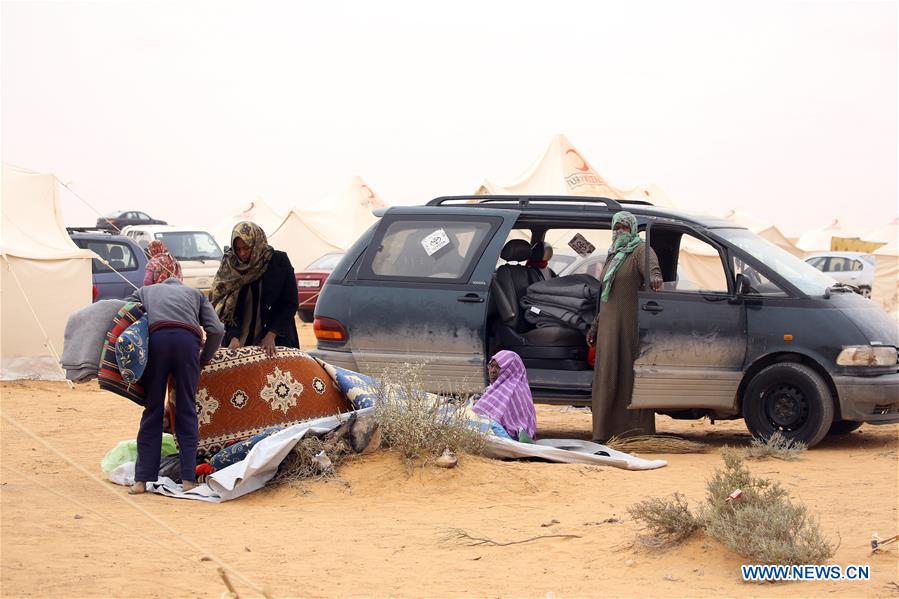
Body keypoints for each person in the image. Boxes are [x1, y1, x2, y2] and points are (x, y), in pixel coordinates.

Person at [127, 268, 225, 494]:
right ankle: (189, 479)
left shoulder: (145, 291)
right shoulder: (196, 294)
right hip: (187, 344)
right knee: (186, 409)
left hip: (157, 343)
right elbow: (217, 329)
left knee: (152, 410)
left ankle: (141, 480)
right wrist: (204, 358)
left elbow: (125, 315)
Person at [586, 211, 662, 442]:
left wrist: (655, 277)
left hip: (628, 327)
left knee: (628, 377)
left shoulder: (641, 251)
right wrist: (595, 326)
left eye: (624, 227)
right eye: (616, 227)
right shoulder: (613, 255)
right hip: (608, 327)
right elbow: (606, 298)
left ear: (633, 229)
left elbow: (653, 273)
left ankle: (634, 434)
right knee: (607, 378)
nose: (619, 231)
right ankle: (604, 433)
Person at [210, 221, 300, 357]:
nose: (242, 253)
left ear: (256, 243)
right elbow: (229, 309)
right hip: (241, 343)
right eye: (238, 249)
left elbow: (290, 304)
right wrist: (233, 336)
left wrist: (271, 335)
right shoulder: (232, 266)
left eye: (246, 248)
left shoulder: (279, 262)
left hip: (274, 341)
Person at [472, 350, 537, 442]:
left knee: (481, 420)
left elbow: (482, 413)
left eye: (498, 367)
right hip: (501, 433)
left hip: (510, 437)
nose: (492, 371)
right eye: (491, 366)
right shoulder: (494, 389)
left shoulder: (512, 390)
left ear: (510, 370)